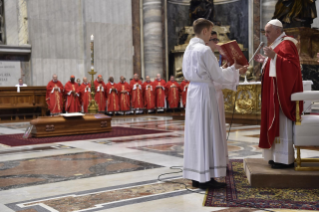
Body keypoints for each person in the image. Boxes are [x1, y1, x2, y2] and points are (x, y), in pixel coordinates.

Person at [182, 18, 247, 189]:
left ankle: (197, 176)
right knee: (207, 132)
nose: (211, 35)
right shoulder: (203, 50)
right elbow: (217, 76)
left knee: (197, 134)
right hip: (205, 93)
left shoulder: (188, 49)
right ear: (205, 31)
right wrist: (234, 70)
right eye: (211, 32)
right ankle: (207, 177)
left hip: (193, 92)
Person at [254, 19, 303, 169]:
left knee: (281, 125)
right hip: (273, 91)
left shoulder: (287, 43)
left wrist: (274, 57)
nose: (266, 35)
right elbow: (275, 64)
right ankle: (275, 156)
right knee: (274, 124)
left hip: (281, 94)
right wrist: (266, 60)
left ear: (278, 31)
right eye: (265, 32)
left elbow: (292, 68)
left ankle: (284, 159)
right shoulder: (276, 44)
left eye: (268, 32)